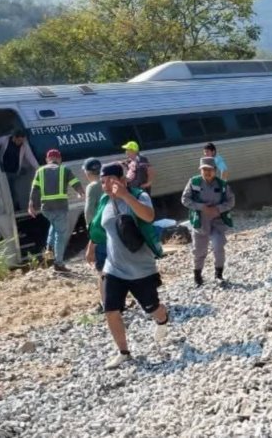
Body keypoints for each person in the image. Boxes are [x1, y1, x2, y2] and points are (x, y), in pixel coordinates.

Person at [94, 163, 169, 369]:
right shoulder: (104, 202)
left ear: (123, 180)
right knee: (111, 309)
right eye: (103, 182)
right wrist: (91, 246)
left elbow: (148, 216)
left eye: (111, 180)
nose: (107, 185)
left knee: (153, 308)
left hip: (141, 269)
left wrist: (126, 195)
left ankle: (162, 320)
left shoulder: (139, 196)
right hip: (114, 268)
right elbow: (100, 227)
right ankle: (123, 352)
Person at [181, 157, 235, 287]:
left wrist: (218, 208)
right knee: (199, 251)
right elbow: (185, 199)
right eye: (204, 169)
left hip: (217, 222)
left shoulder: (222, 185)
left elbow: (231, 201)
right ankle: (197, 276)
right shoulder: (193, 182)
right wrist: (201, 207)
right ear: (200, 170)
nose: (207, 172)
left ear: (215, 170)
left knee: (218, 247)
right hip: (200, 222)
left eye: (210, 169)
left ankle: (218, 275)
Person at [29, 149, 85, 272]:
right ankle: (58, 263)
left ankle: (49, 246)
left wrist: (31, 205)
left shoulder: (40, 171)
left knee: (54, 225)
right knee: (60, 235)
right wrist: (81, 192)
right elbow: (75, 183)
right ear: (59, 159)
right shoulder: (64, 169)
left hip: (46, 209)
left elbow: (35, 189)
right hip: (60, 207)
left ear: (47, 160)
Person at [82, 158, 107, 312]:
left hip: (100, 233)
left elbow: (89, 212)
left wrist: (91, 238)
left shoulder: (92, 186)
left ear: (87, 172)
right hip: (113, 231)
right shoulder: (108, 182)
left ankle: (106, 303)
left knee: (102, 270)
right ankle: (120, 300)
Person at [0, 128, 40, 211]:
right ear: (14, 137)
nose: (20, 143)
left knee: (13, 191)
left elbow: (31, 157)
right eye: (19, 140)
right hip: (3, 172)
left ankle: (15, 208)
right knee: (5, 191)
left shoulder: (24, 145)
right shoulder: (4, 140)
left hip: (14, 172)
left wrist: (39, 169)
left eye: (22, 140)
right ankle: (10, 208)